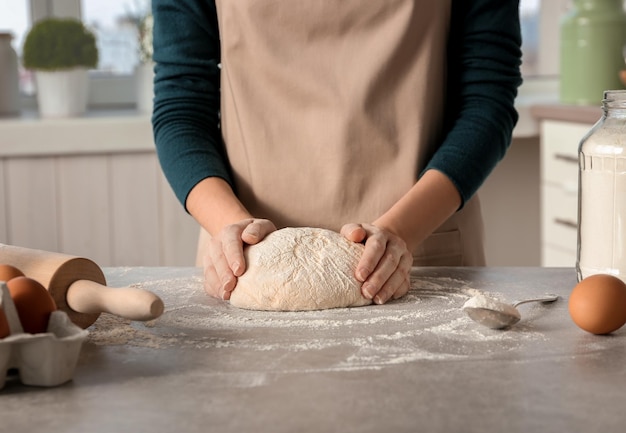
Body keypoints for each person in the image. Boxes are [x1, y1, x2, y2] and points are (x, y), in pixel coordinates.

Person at [151, 0, 523, 305]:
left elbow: (486, 101)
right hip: (247, 264)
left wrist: (398, 233)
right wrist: (230, 227)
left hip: (414, 256)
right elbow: (182, 106)